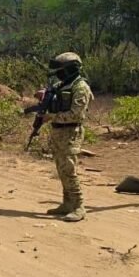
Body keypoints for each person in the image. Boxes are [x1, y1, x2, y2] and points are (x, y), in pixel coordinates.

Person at [40, 52, 94, 222]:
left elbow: (76, 114)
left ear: (70, 69)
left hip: (70, 133)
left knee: (69, 171)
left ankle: (79, 206)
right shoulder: (64, 84)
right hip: (58, 133)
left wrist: (52, 117)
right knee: (61, 170)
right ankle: (67, 203)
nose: (58, 73)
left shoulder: (81, 87)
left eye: (61, 69)